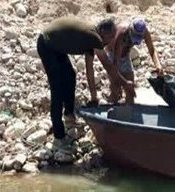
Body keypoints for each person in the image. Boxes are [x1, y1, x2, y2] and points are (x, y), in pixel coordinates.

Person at [37, 17, 132, 151]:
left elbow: (90, 68)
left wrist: (94, 96)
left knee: (70, 75)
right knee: (57, 88)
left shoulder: (91, 37)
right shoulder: (95, 38)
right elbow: (105, 65)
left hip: (56, 45)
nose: (111, 42)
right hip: (47, 44)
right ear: (103, 33)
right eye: (111, 38)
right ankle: (59, 137)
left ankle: (69, 116)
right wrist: (125, 83)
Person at [105, 18, 163, 104]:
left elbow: (152, 49)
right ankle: (111, 103)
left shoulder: (145, 32)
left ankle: (129, 108)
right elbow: (116, 64)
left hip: (125, 55)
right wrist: (120, 81)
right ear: (130, 30)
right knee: (116, 89)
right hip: (113, 54)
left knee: (130, 89)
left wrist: (158, 64)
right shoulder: (122, 33)